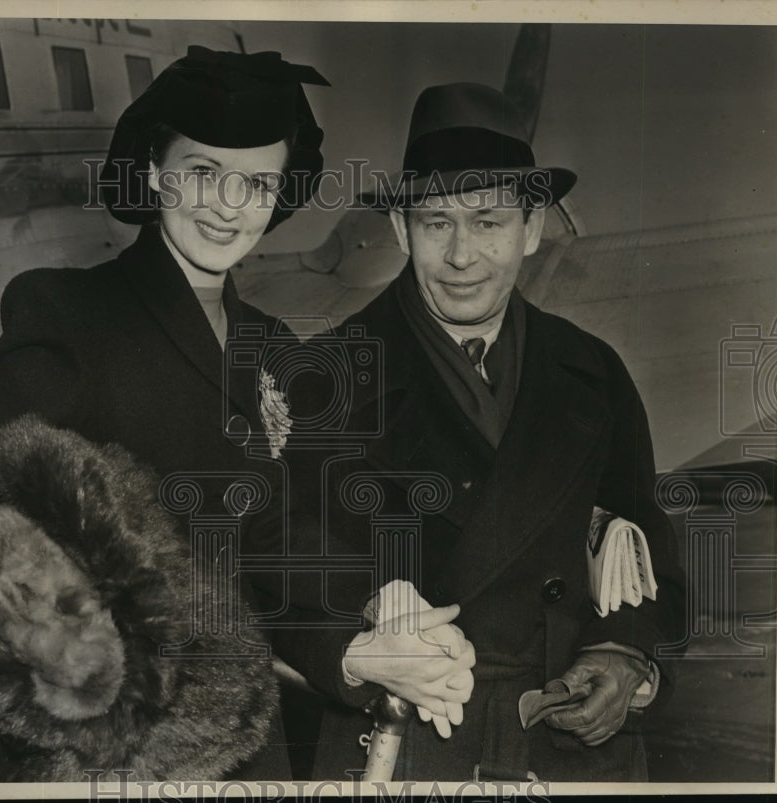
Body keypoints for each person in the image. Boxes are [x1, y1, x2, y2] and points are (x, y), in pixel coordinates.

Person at [0, 45, 330, 780]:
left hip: (241, 738)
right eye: (204, 172)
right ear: (152, 171)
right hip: (100, 749)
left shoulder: (271, 345)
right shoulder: (74, 312)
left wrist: (362, 635)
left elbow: (279, 544)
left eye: (258, 183)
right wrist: (64, 653)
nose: (230, 206)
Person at [272, 82, 686, 782]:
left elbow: (655, 560)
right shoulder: (326, 378)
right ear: (403, 230)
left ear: (533, 229)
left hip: (567, 742)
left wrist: (622, 653)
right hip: (404, 744)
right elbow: (280, 576)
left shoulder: (593, 370)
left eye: (489, 221)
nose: (462, 254)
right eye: (437, 223)